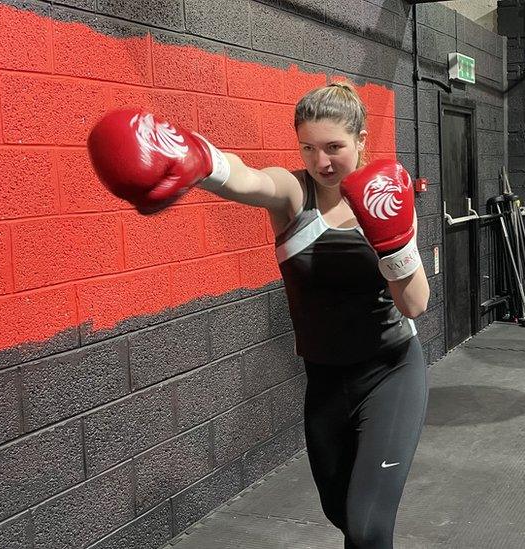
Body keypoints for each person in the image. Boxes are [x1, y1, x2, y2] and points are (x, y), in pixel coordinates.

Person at [87, 82, 429, 549]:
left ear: (362, 140)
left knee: (369, 529)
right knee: (342, 513)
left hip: (392, 373)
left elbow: (415, 305)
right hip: (326, 382)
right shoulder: (294, 194)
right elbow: (248, 179)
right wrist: (200, 158)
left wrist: (391, 244)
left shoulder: (386, 194)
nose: (321, 162)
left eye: (334, 147)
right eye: (308, 148)